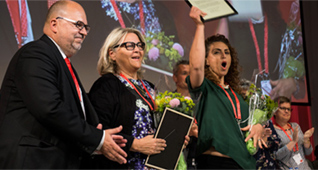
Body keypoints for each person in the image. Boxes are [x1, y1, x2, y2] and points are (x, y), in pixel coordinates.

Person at [0, 1, 127, 169]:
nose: (83, 32)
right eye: (78, 25)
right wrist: (97, 138)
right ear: (54, 24)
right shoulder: (36, 53)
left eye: (86, 28)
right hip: (33, 161)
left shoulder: (61, 62)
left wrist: (95, 135)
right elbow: (49, 109)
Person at [187, 6, 265, 169]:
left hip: (245, 164)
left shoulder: (238, 96)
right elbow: (195, 67)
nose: (223, 55)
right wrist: (200, 26)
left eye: (226, 52)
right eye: (216, 52)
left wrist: (258, 127)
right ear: (206, 60)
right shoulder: (204, 88)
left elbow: (246, 129)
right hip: (216, 162)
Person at [87, 27, 168, 169]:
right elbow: (97, 129)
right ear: (112, 54)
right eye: (129, 46)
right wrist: (135, 144)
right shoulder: (106, 85)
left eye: (139, 45)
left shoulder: (150, 87)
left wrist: (174, 138)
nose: (137, 50)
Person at [274, 96, 314, 169]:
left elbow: (308, 152)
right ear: (275, 111)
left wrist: (306, 140)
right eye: (283, 108)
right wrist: (293, 142)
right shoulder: (272, 131)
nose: (287, 111)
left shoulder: (295, 126)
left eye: (289, 109)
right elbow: (276, 156)